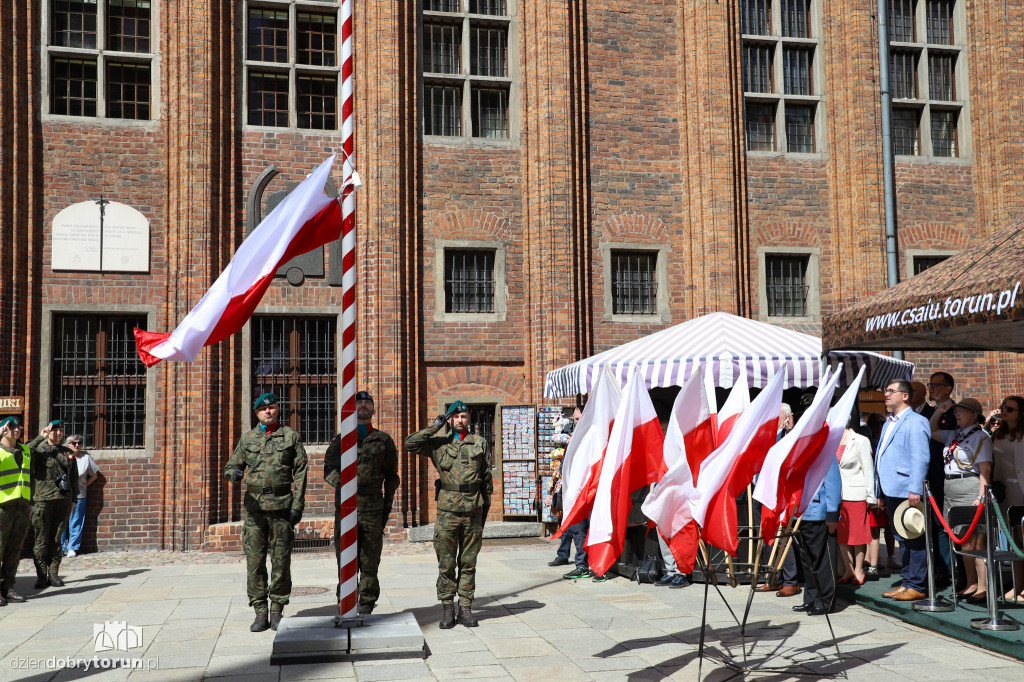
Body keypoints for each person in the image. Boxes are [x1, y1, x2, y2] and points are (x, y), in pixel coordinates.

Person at [225, 393, 308, 632]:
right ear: (256, 413)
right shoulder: (248, 438)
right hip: (255, 510)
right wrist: (234, 474)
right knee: (255, 561)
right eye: (263, 409)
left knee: (281, 561)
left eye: (271, 408)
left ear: (277, 410)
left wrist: (297, 505)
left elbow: (301, 471)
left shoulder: (290, 436)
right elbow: (231, 466)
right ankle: (260, 611)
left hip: (282, 507)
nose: (268, 412)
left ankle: (278, 610)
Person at [406, 400, 492, 629]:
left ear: (468, 418)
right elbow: (410, 444)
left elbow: (486, 480)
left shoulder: (480, 443)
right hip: (447, 513)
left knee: (468, 562)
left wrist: (484, 511)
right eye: (455, 417)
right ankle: (447, 608)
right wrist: (435, 426)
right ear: (450, 420)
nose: (460, 420)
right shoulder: (438, 444)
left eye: (463, 416)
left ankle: (465, 608)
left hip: (473, 511)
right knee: (446, 563)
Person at [324, 390, 400, 615]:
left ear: (373, 409)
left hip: (373, 506)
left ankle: (366, 603)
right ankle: (345, 599)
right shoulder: (341, 439)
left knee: (370, 558)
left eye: (368, 402)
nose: (364, 405)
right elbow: (329, 468)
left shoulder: (383, 440)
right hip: (347, 507)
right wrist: (342, 485)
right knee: (345, 556)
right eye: (360, 402)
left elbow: (392, 476)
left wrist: (387, 507)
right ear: (353, 408)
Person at [931, 396, 993, 603]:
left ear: (974, 415)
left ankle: (983, 587)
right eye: (955, 411)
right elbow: (931, 430)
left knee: (977, 541)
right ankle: (971, 583)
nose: (956, 414)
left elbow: (985, 468)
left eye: (961, 411)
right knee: (963, 541)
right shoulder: (955, 435)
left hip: (969, 486)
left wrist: (981, 496)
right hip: (951, 487)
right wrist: (940, 410)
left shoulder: (980, 437)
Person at [876, 380, 931, 601]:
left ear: (905, 396)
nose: (886, 394)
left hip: (907, 489)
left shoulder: (916, 422)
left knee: (913, 537)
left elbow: (920, 458)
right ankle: (907, 582)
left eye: (891, 391)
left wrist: (915, 488)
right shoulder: (889, 421)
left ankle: (916, 584)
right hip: (891, 489)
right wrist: (879, 491)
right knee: (901, 537)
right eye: (886, 390)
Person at [756, 403, 802, 597]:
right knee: (767, 535)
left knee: (782, 535)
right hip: (762, 492)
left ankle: (791, 581)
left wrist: (788, 430)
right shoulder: (766, 434)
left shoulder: (788, 436)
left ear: (786, 418)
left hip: (780, 494)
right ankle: (773, 577)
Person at [28, 419, 79, 589]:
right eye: (55, 431)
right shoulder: (39, 451)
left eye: (61, 431)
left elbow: (74, 478)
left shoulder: (67, 453)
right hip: (42, 501)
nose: (58, 434)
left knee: (57, 539)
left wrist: (73, 500)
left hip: (63, 501)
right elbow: (25, 452)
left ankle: (54, 573)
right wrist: (39, 437)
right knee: (41, 539)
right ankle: (42, 575)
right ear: (48, 432)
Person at [793, 457, 842, 616]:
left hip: (819, 512)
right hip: (800, 512)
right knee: (807, 561)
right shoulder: (800, 447)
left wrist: (833, 513)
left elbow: (833, 482)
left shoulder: (825, 448)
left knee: (823, 560)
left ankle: (826, 600)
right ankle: (811, 597)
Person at [990, 396, 1024, 601]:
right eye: (1003, 408)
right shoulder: (998, 434)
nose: (1004, 411)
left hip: (1021, 490)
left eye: (1010, 409)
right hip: (1005, 492)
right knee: (1014, 542)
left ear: (1021, 413)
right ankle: (1017, 585)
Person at [836, 411, 875, 585]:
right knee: (841, 536)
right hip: (837, 496)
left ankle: (859, 570)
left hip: (856, 495)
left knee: (858, 536)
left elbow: (868, 470)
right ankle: (848, 569)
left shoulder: (860, 440)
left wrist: (871, 497)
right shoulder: (830, 441)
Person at [0, 416, 31, 606]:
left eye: (18, 426)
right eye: (11, 427)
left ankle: (8, 587)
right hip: (2, 506)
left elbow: (29, 477)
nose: (16, 430)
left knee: (14, 549)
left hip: (21, 505)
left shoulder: (25, 450)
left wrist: (30, 503)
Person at [62, 435, 99, 557]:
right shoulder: (63, 456)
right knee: (61, 521)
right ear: (68, 444)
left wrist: (84, 485)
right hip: (63, 494)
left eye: (79, 443)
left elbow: (94, 475)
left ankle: (73, 547)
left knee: (76, 521)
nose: (77, 445)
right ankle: (60, 547)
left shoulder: (85, 458)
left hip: (79, 494)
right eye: (74, 443)